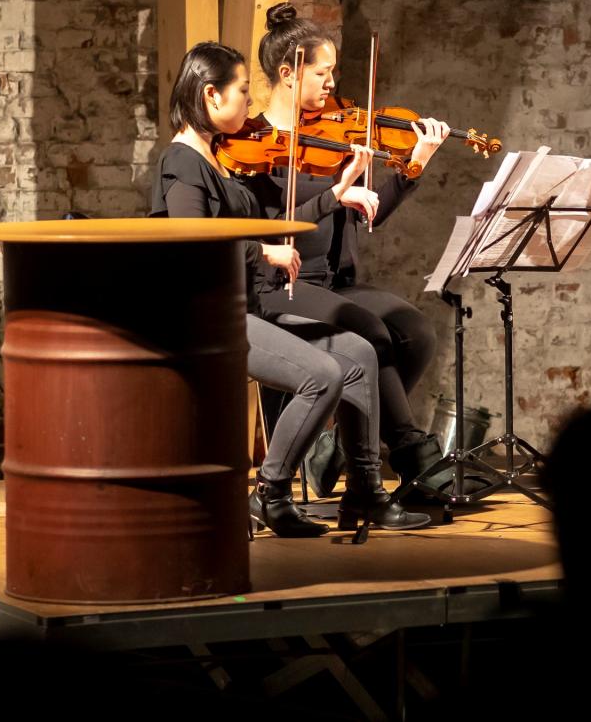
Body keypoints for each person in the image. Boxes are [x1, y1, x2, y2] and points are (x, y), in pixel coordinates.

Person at [150, 41, 429, 536]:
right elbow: (191, 246)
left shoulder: (213, 159)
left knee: (359, 353)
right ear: (211, 95)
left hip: (245, 306)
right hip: (209, 316)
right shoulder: (182, 164)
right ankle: (271, 494)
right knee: (322, 374)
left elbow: (273, 225)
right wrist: (261, 252)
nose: (247, 102)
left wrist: (335, 195)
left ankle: (364, 491)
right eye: (241, 91)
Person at [244, 3, 462, 498]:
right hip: (283, 286)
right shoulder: (254, 144)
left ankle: (341, 443)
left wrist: (413, 167)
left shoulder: (336, 134)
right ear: (287, 73)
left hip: (335, 282)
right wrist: (331, 194)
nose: (330, 82)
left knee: (417, 332)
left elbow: (372, 214)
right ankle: (411, 454)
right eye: (322, 72)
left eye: (333, 73)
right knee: (368, 330)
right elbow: (264, 228)